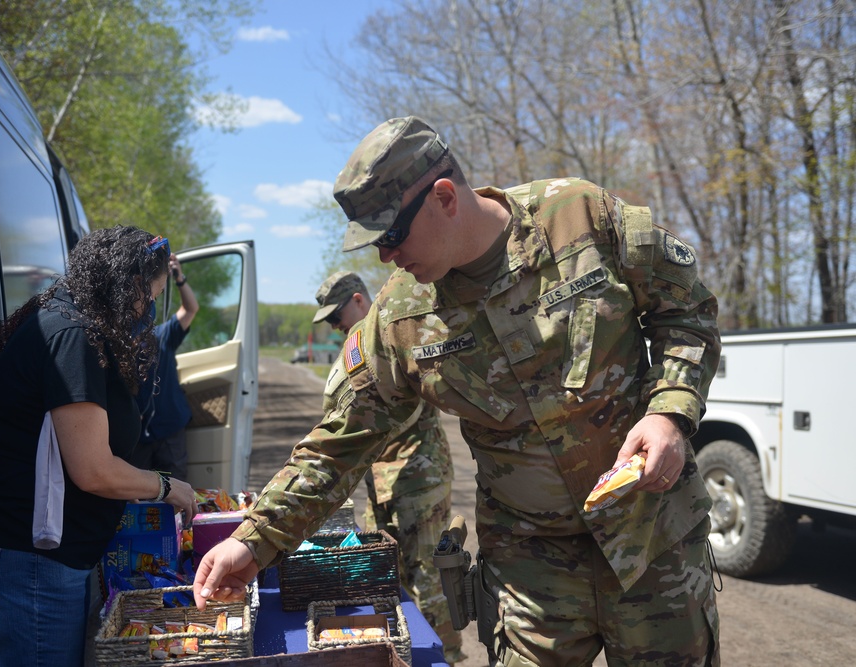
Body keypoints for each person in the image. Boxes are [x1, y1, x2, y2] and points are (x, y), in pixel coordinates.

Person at [194, 117, 722, 666]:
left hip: (655, 544)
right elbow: (339, 441)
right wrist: (254, 540)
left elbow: (687, 310)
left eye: (392, 235)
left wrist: (670, 413)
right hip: (531, 578)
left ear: (444, 197)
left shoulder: (580, 217)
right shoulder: (400, 318)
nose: (386, 258)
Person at [0, 227, 199, 667]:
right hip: (31, 561)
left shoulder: (71, 324)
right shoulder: (72, 336)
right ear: (124, 282)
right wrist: (165, 486)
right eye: (148, 295)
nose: (146, 308)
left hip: (47, 559)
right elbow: (93, 470)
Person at [312, 270, 463, 663]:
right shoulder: (358, 346)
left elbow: (393, 416)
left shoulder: (399, 333)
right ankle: (404, 653)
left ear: (359, 301)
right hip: (380, 482)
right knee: (381, 574)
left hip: (417, 478)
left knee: (428, 578)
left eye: (336, 316)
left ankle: (445, 658)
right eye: (328, 321)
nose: (334, 326)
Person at [131, 253, 200, 480]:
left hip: (170, 429)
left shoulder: (162, 335)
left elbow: (190, 309)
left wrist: (179, 277)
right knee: (138, 496)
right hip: (136, 437)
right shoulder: (115, 345)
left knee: (175, 492)